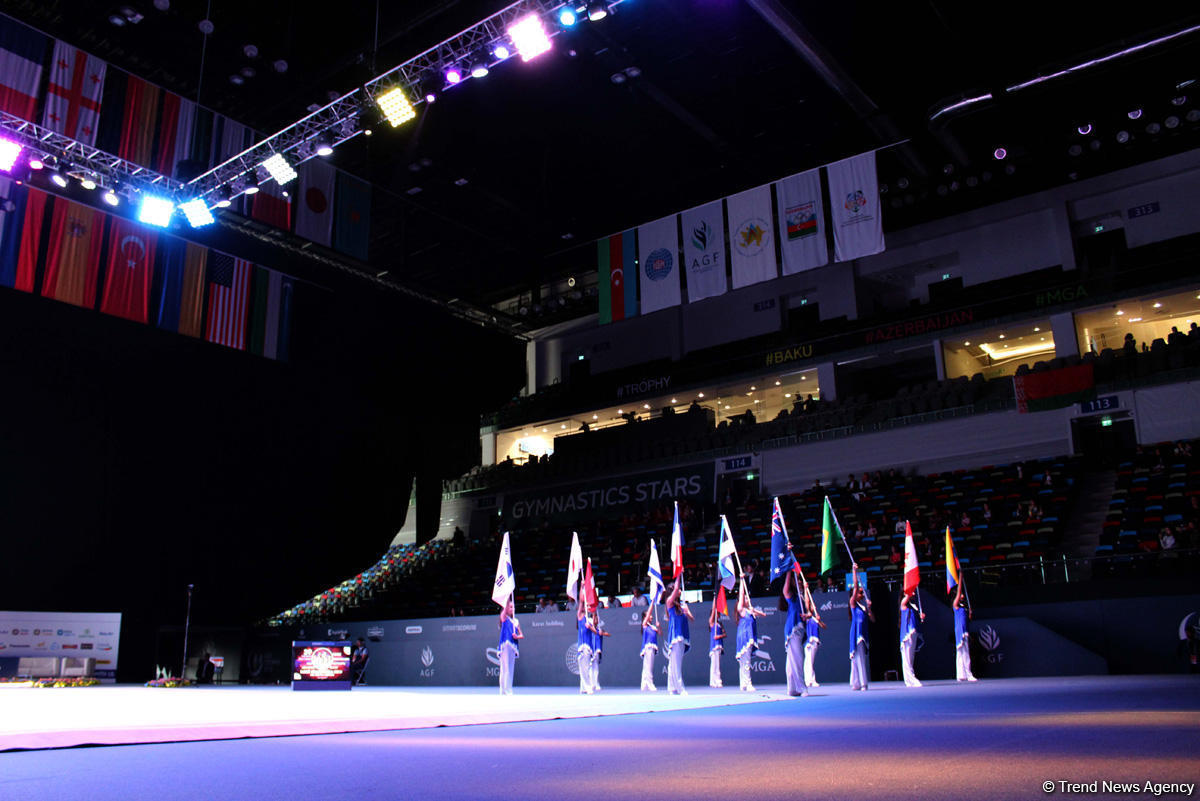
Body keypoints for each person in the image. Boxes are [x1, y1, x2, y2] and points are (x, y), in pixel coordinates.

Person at [780, 570, 808, 697]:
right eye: (798, 580)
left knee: (792, 660)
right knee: (798, 658)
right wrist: (789, 574)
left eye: (800, 580)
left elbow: (809, 612)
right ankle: (802, 687)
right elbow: (785, 590)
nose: (800, 582)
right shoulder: (792, 596)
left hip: (800, 629)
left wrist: (807, 615)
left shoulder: (801, 597)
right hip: (793, 629)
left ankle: (792, 688)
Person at [735, 581, 767, 692]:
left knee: (744, 661)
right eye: (745, 599)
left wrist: (754, 611)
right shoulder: (742, 610)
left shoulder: (749, 611)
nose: (747, 599)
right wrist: (742, 582)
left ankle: (743, 684)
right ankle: (748, 684)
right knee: (746, 661)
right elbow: (741, 594)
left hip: (748, 637)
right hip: (744, 637)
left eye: (747, 598)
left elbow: (763, 614)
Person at [665, 579, 694, 695]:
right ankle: (680, 688)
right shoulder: (669, 602)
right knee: (675, 663)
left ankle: (672, 687)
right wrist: (678, 575)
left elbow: (692, 619)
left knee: (674, 663)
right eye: (678, 589)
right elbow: (677, 588)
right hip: (675, 636)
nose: (680, 590)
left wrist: (687, 612)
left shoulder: (682, 605)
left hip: (682, 635)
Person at [848, 565, 874, 691]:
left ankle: (857, 682)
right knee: (857, 658)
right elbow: (856, 586)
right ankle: (861, 683)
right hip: (856, 633)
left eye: (862, 592)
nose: (861, 593)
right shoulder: (853, 603)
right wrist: (854, 571)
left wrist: (869, 608)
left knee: (859, 657)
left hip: (863, 634)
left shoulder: (864, 607)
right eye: (859, 592)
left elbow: (872, 619)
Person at [898, 592, 926, 688]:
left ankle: (908, 681)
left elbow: (916, 620)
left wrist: (921, 617)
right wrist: (910, 589)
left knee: (910, 658)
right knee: (907, 658)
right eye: (911, 592)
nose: (913, 593)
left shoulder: (914, 606)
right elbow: (907, 597)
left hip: (914, 633)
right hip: (907, 634)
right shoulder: (903, 603)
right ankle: (912, 679)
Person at [497, 597, 523, 695]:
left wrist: (517, 636)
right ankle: (503, 690)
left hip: (513, 646)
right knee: (505, 668)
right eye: (510, 607)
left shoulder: (516, 621)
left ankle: (508, 689)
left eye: (513, 607)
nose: (512, 609)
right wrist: (507, 597)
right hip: (505, 645)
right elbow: (504, 610)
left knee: (510, 668)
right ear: (506, 608)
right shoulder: (504, 617)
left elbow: (521, 635)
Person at [953, 582, 978, 682]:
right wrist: (960, 578)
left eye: (963, 594)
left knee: (961, 653)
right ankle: (968, 674)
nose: (962, 595)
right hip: (960, 631)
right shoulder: (956, 605)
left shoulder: (964, 607)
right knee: (964, 652)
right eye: (960, 594)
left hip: (965, 630)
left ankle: (961, 674)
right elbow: (958, 593)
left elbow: (966, 620)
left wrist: (970, 614)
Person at [803, 583, 826, 689]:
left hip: (815, 641)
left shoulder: (815, 618)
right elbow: (807, 602)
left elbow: (824, 626)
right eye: (813, 606)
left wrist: (819, 619)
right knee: (808, 661)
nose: (814, 606)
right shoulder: (808, 616)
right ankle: (810, 680)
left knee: (810, 661)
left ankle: (810, 680)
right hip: (809, 641)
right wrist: (805, 589)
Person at [576, 597, 597, 694]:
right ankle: (586, 687)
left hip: (588, 647)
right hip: (581, 646)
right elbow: (580, 602)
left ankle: (584, 687)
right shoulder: (580, 617)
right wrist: (583, 586)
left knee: (586, 667)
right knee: (583, 667)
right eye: (585, 606)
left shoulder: (589, 620)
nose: (585, 607)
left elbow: (595, 632)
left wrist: (590, 627)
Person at [639, 607, 660, 691]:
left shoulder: (653, 627)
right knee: (648, 666)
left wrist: (659, 627)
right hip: (648, 647)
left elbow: (660, 633)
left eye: (651, 615)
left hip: (653, 647)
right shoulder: (644, 625)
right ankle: (650, 684)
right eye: (649, 615)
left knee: (647, 666)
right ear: (645, 617)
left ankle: (644, 685)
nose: (651, 616)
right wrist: (652, 602)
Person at [708, 599, 726, 688]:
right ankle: (714, 681)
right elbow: (713, 610)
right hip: (714, 646)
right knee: (714, 664)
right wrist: (715, 600)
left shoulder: (720, 624)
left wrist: (720, 636)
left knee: (717, 664)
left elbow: (725, 634)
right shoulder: (712, 623)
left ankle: (717, 681)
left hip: (719, 645)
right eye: (717, 613)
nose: (719, 614)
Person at [590, 609, 610, 691]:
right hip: (591, 650)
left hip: (597, 650)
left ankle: (596, 683)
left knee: (596, 668)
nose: (597, 620)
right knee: (590, 668)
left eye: (597, 619)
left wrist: (603, 633)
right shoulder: (590, 628)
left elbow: (608, 634)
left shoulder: (599, 629)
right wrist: (594, 612)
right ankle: (591, 684)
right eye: (595, 618)